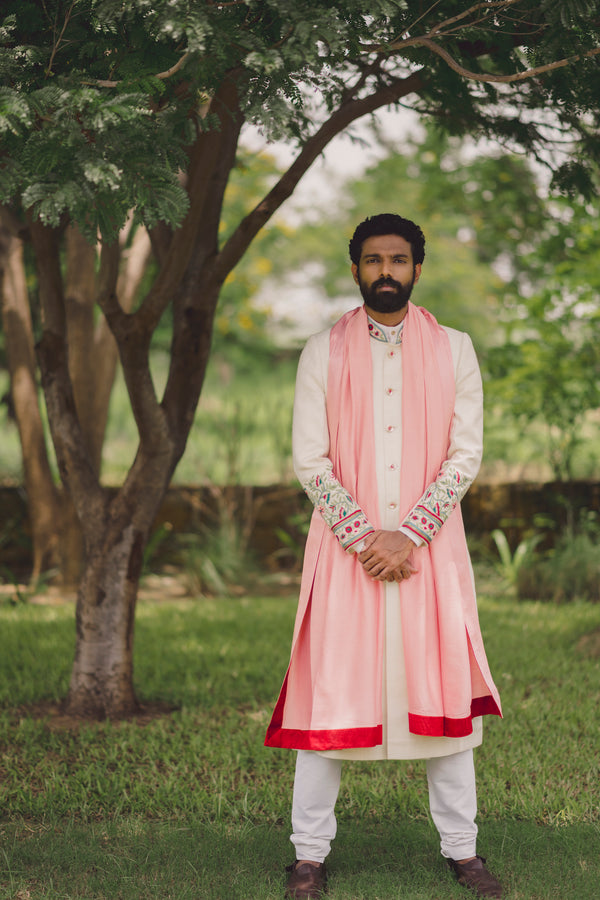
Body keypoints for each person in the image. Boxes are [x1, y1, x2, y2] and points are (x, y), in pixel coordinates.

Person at [265, 213, 504, 899]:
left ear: (417, 269)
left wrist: (411, 533)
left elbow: (465, 457)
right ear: (356, 270)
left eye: (398, 259)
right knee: (328, 702)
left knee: (444, 701)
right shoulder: (323, 350)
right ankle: (308, 856)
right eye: (373, 260)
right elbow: (310, 462)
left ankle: (463, 852)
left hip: (430, 556)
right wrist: (367, 537)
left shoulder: (455, 348)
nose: (386, 271)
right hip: (347, 557)